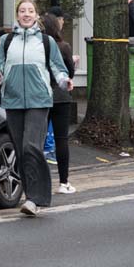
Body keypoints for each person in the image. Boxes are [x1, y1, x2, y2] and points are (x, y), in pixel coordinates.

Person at [0, 0, 72, 218]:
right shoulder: (6, 41)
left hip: (39, 100)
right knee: (19, 148)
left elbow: (58, 68)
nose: (26, 14)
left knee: (30, 147)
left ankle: (36, 197)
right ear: (17, 15)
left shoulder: (46, 42)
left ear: (36, 16)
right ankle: (30, 197)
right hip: (13, 101)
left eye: (30, 11)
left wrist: (64, 81)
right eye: (22, 11)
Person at [42, 10, 77, 193]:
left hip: (40, 95)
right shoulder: (63, 47)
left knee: (37, 139)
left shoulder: (37, 47)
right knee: (61, 139)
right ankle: (64, 182)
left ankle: (39, 182)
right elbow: (69, 72)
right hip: (61, 97)